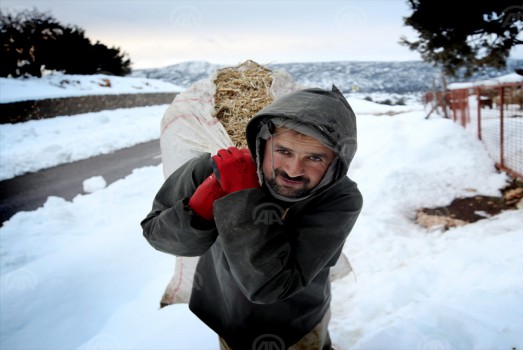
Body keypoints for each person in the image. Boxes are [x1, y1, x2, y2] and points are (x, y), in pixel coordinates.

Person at [141, 85, 363, 350]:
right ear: (263, 141)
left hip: (298, 322)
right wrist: (199, 207)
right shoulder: (216, 168)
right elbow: (160, 238)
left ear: (336, 161)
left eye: (315, 157)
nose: (293, 170)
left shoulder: (339, 198)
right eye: (283, 151)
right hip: (227, 312)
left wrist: (243, 198)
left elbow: (271, 287)